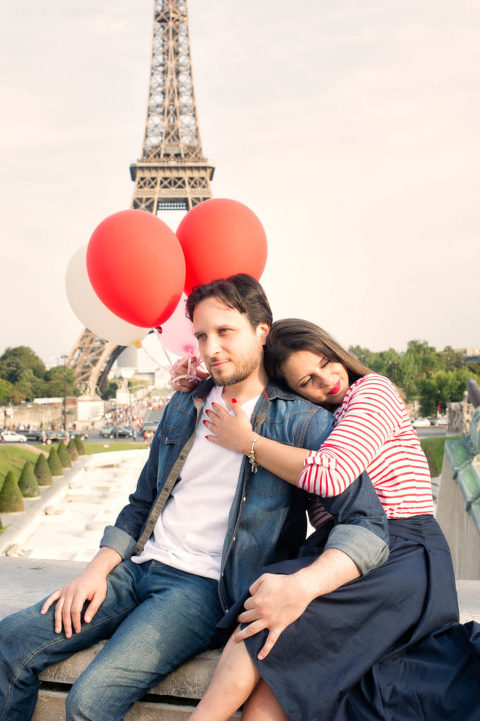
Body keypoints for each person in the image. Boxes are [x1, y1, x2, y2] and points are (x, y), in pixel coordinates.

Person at [0, 277, 389, 721]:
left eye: (225, 332)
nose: (210, 348)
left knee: (89, 699)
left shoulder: (301, 422)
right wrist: (95, 571)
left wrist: (304, 585)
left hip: (203, 590)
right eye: (202, 335)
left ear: (262, 332)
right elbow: (142, 501)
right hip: (136, 568)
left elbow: (367, 524)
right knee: (9, 642)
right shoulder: (184, 405)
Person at [175, 318, 480, 721]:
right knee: (276, 672)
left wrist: (246, 441)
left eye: (326, 362)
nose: (327, 381)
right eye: (307, 381)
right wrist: (205, 375)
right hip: (344, 556)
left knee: (262, 621)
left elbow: (332, 472)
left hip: (401, 555)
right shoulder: (309, 423)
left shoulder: (373, 390)